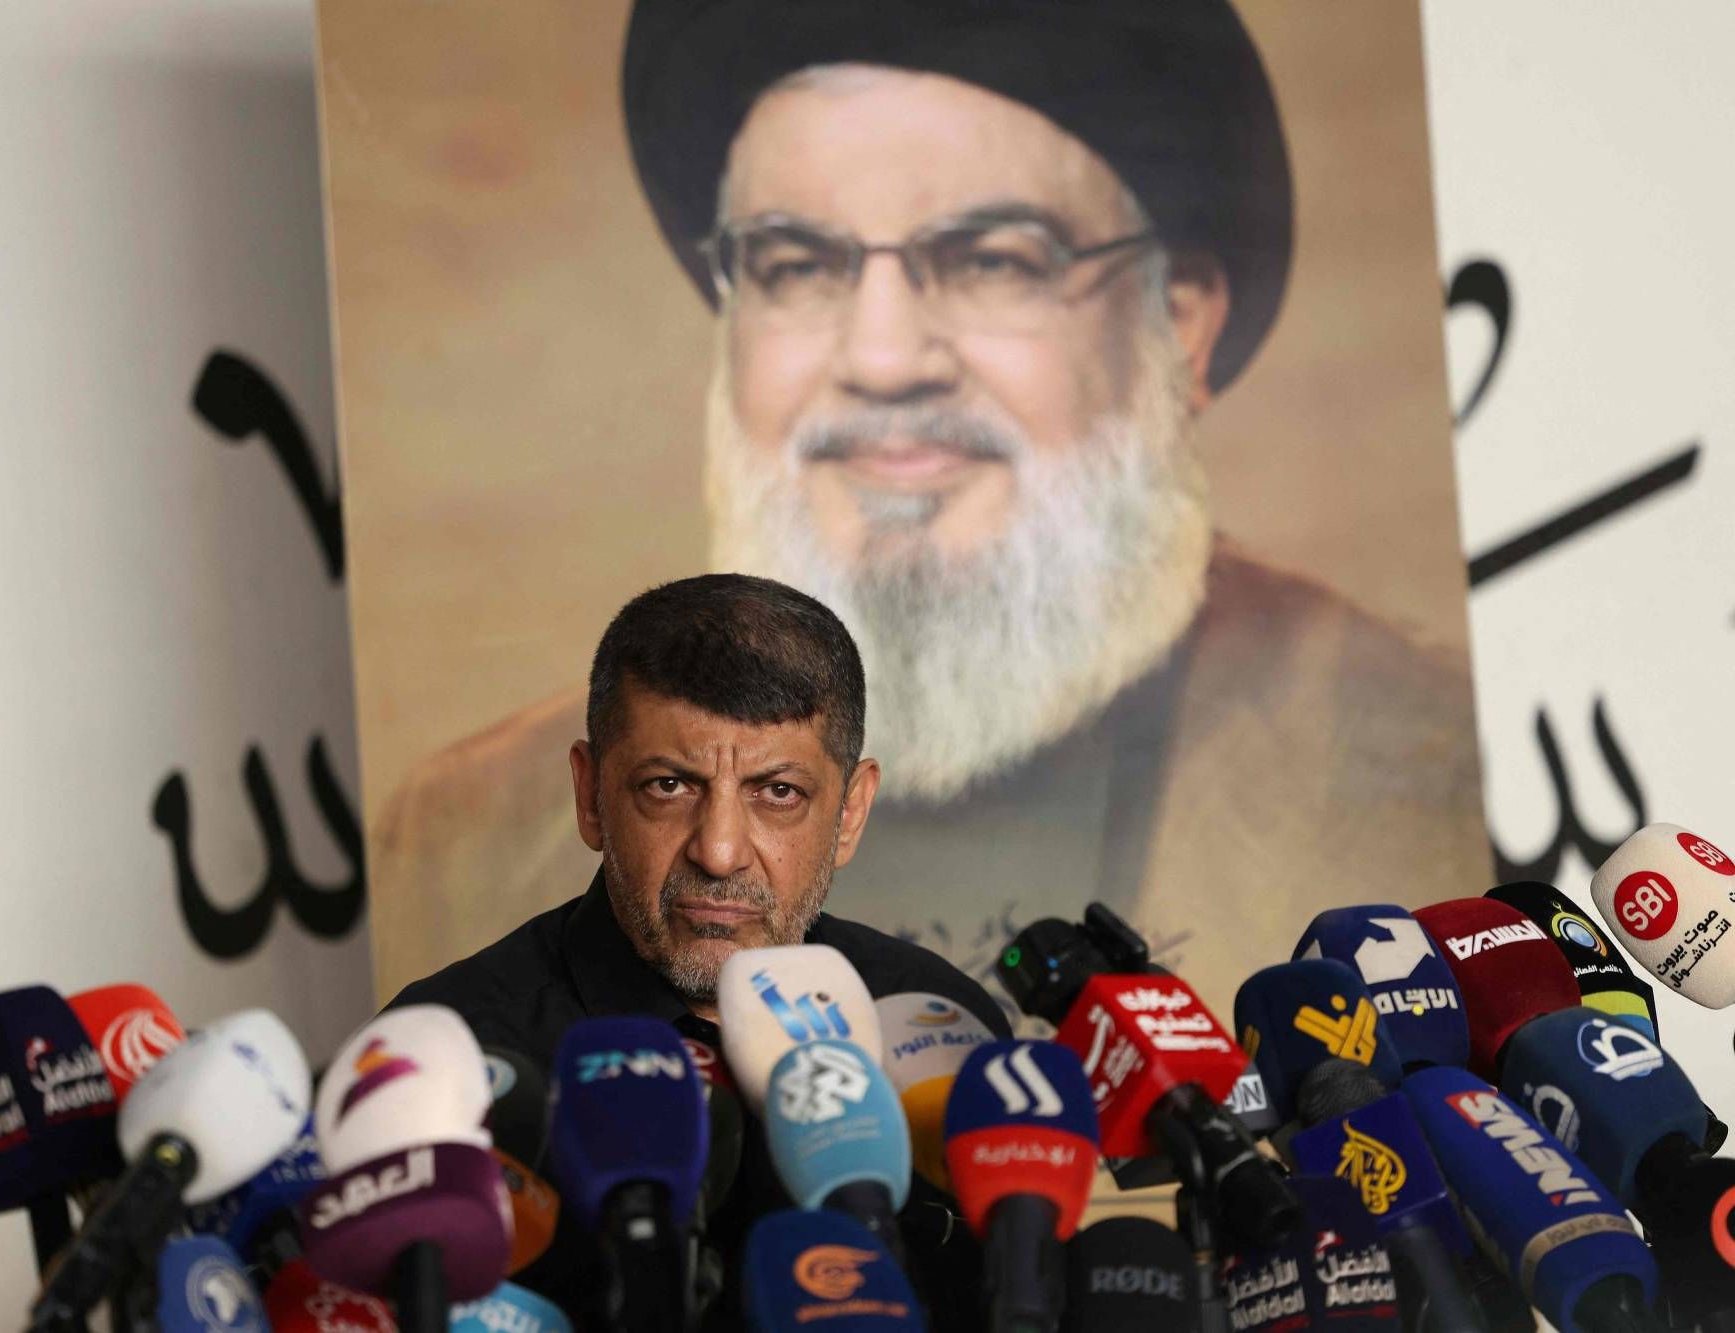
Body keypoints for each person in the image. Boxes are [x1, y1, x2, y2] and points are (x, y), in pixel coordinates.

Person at [373, 0, 1489, 1016]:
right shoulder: (461, 842)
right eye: (796, 263)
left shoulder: (1411, 763)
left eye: (993, 260)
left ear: (1179, 321)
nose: (882, 357)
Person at [385, 573, 1009, 1325]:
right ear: (590, 795)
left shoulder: (936, 1022)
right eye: (668, 786)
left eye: (778, 792)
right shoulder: (449, 1050)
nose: (719, 851)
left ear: (850, 812)